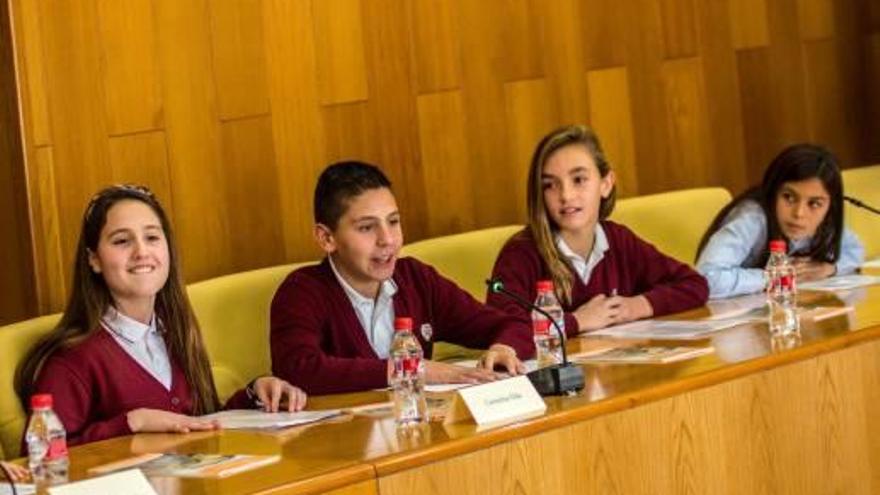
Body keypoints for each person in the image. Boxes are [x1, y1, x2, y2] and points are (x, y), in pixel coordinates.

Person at [15, 185, 306, 447]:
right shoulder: (73, 358)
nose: (142, 251)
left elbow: (197, 421)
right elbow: (39, 458)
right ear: (94, 260)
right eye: (121, 241)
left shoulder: (177, 333)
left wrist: (255, 394)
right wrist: (132, 422)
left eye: (152, 237)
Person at [270, 161, 533, 395]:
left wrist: (504, 348)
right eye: (366, 227)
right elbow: (299, 369)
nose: (387, 239)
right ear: (326, 238)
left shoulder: (415, 278)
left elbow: (512, 324)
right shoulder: (301, 291)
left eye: (393, 222)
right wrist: (410, 369)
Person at [488, 124, 708, 335]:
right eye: (550, 185)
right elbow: (503, 329)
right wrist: (578, 321)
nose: (566, 195)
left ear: (606, 184)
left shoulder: (618, 240)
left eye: (579, 180)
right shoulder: (521, 253)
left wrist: (637, 306)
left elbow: (694, 285)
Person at [696, 143, 864, 298]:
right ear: (772, 192)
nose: (799, 213)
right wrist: (776, 277)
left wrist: (829, 269)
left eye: (814, 203)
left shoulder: (825, 219)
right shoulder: (752, 218)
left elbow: (854, 251)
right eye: (789, 197)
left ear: (830, 204)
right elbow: (706, 278)